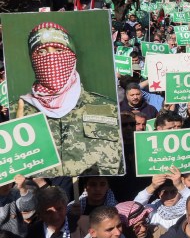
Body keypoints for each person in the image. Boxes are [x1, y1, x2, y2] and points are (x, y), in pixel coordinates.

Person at [15, 22, 123, 176]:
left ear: (72, 56)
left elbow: (117, 162)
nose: (51, 58)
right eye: (42, 52)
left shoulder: (106, 107)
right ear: (33, 59)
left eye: (59, 50)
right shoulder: (18, 110)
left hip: (91, 192)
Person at [133, 166, 190, 230]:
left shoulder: (187, 209)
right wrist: (152, 186)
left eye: (173, 192)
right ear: (159, 194)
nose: (169, 197)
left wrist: (180, 185)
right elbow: (134, 208)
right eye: (165, 193)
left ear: (180, 193)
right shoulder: (152, 210)